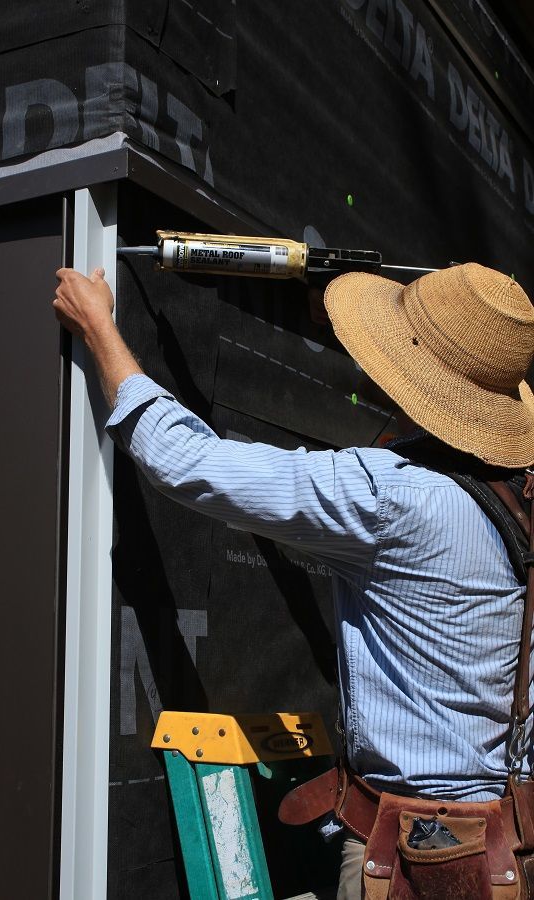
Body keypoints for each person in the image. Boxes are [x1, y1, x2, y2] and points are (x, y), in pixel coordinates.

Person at [53, 262, 534, 898]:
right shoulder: (520, 507)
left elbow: (187, 462)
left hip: (412, 861)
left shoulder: (390, 495)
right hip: (504, 849)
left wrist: (98, 328)